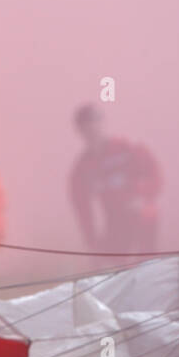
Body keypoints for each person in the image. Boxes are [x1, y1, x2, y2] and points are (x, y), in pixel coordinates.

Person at [68, 104, 162, 254]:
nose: (91, 129)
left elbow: (155, 175)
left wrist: (142, 196)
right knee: (114, 265)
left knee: (145, 265)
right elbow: (82, 207)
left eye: (94, 122)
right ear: (79, 131)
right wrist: (91, 241)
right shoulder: (82, 168)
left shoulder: (126, 147)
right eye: (85, 126)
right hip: (114, 222)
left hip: (142, 216)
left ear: (102, 123)